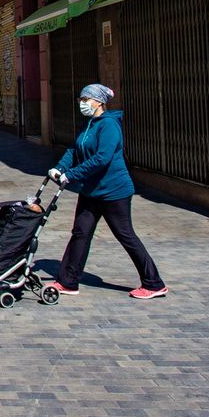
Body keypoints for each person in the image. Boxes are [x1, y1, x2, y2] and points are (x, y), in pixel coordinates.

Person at [45, 84, 169, 300]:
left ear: (99, 102)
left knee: (125, 235)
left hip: (114, 192)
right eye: (81, 99)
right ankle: (68, 281)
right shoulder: (90, 124)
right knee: (80, 234)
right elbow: (74, 150)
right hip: (90, 191)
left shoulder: (109, 125)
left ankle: (153, 283)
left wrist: (71, 175)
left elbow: (102, 158)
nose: (82, 103)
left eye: (86, 99)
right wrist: (59, 168)